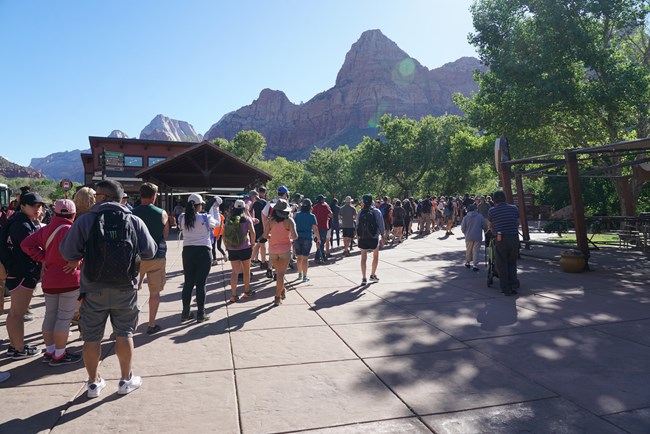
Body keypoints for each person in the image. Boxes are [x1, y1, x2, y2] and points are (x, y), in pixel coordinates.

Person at [60, 180, 156, 398]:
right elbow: (150, 251)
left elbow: (67, 253)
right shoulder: (134, 220)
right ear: (120, 198)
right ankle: (125, 380)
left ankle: (93, 384)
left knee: (92, 337)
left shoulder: (85, 221)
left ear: (100, 197)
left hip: (93, 289)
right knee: (125, 333)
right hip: (125, 288)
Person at [21, 199, 82, 366]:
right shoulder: (73, 230)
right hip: (69, 279)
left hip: (49, 280)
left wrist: (43, 258)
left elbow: (26, 244)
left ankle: (50, 351)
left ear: (54, 213)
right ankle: (60, 355)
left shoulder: (46, 229)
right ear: (74, 214)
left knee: (50, 315)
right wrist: (78, 260)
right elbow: (84, 251)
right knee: (64, 318)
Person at [2, 191, 45, 359]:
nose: (38, 209)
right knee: (17, 314)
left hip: (15, 272)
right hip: (22, 272)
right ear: (23, 207)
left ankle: (15, 345)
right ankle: (19, 349)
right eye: (33, 206)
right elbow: (31, 248)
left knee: (14, 312)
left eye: (40, 206)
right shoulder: (22, 225)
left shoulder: (17, 221)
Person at [132, 182, 169, 335]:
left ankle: (129, 325)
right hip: (156, 256)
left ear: (141, 195)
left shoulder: (132, 213)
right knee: (154, 293)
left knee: (132, 292)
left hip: (136, 258)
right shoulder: (162, 213)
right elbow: (165, 235)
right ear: (154, 196)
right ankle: (151, 324)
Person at [177, 193, 217, 322]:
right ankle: (201, 313)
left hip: (188, 251)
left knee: (188, 282)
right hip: (204, 251)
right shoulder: (205, 218)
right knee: (201, 284)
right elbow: (216, 224)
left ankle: (185, 312)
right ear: (199, 205)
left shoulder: (182, 218)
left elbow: (180, 227)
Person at [263, 199, 298, 306]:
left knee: (279, 274)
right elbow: (295, 236)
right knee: (281, 275)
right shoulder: (289, 221)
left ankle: (282, 290)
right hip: (285, 250)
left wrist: (272, 237)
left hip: (273, 251)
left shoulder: (270, 221)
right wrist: (289, 239)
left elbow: (265, 236)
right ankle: (277, 297)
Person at [488, 190, 520, 296]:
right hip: (514, 237)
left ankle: (505, 287)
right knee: (512, 262)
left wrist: (494, 233)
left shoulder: (492, 211)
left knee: (502, 263)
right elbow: (517, 223)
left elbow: (491, 226)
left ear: (494, 200)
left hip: (501, 238)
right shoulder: (514, 208)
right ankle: (514, 285)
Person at [223, 199, 255, 302]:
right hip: (245, 247)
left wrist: (226, 246)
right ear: (244, 208)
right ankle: (246, 292)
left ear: (234, 208)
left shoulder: (229, 219)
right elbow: (253, 232)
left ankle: (233, 295)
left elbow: (224, 234)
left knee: (234, 272)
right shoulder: (247, 219)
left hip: (232, 249)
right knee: (246, 271)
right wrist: (253, 244)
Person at [356, 194, 385, 285]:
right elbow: (381, 225)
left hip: (363, 237)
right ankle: (372, 275)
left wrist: (358, 237)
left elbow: (357, 225)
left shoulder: (360, 212)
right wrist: (383, 236)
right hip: (374, 237)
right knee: (375, 256)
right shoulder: (376, 211)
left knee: (363, 258)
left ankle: (364, 278)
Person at [293, 198, 320, 281]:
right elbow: (315, 229)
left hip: (298, 237)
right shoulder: (312, 216)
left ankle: (300, 274)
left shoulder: (297, 215)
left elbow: (293, 225)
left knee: (299, 257)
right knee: (305, 257)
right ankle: (305, 276)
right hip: (307, 237)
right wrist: (318, 238)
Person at [461, 204, 488, 272]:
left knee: (468, 250)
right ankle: (475, 265)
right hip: (477, 236)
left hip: (468, 236)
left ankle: (468, 262)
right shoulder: (480, 216)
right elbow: (485, 226)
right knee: (476, 250)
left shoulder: (466, 217)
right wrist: (485, 230)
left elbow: (462, 228)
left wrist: (465, 233)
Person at [249, 189, 268, 268]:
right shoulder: (264, 202)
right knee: (262, 244)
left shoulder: (253, 205)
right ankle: (262, 261)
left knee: (258, 244)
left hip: (255, 226)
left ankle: (257, 260)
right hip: (262, 225)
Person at [312, 194, 332, 263]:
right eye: (323, 199)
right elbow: (331, 215)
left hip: (316, 227)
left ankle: (322, 256)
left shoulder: (314, 207)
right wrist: (329, 209)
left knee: (318, 242)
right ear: (321, 200)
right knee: (322, 242)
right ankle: (318, 257)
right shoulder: (325, 206)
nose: (324, 200)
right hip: (323, 226)